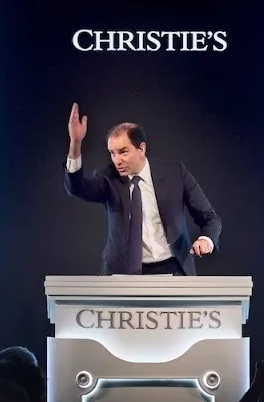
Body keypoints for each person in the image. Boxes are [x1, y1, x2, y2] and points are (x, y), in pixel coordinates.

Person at [63, 103, 222, 276]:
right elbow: (76, 188)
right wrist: (75, 143)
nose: (117, 160)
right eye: (112, 153)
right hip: (124, 271)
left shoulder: (175, 173)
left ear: (141, 148)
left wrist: (206, 240)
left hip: (174, 267)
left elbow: (210, 218)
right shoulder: (108, 177)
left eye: (123, 152)